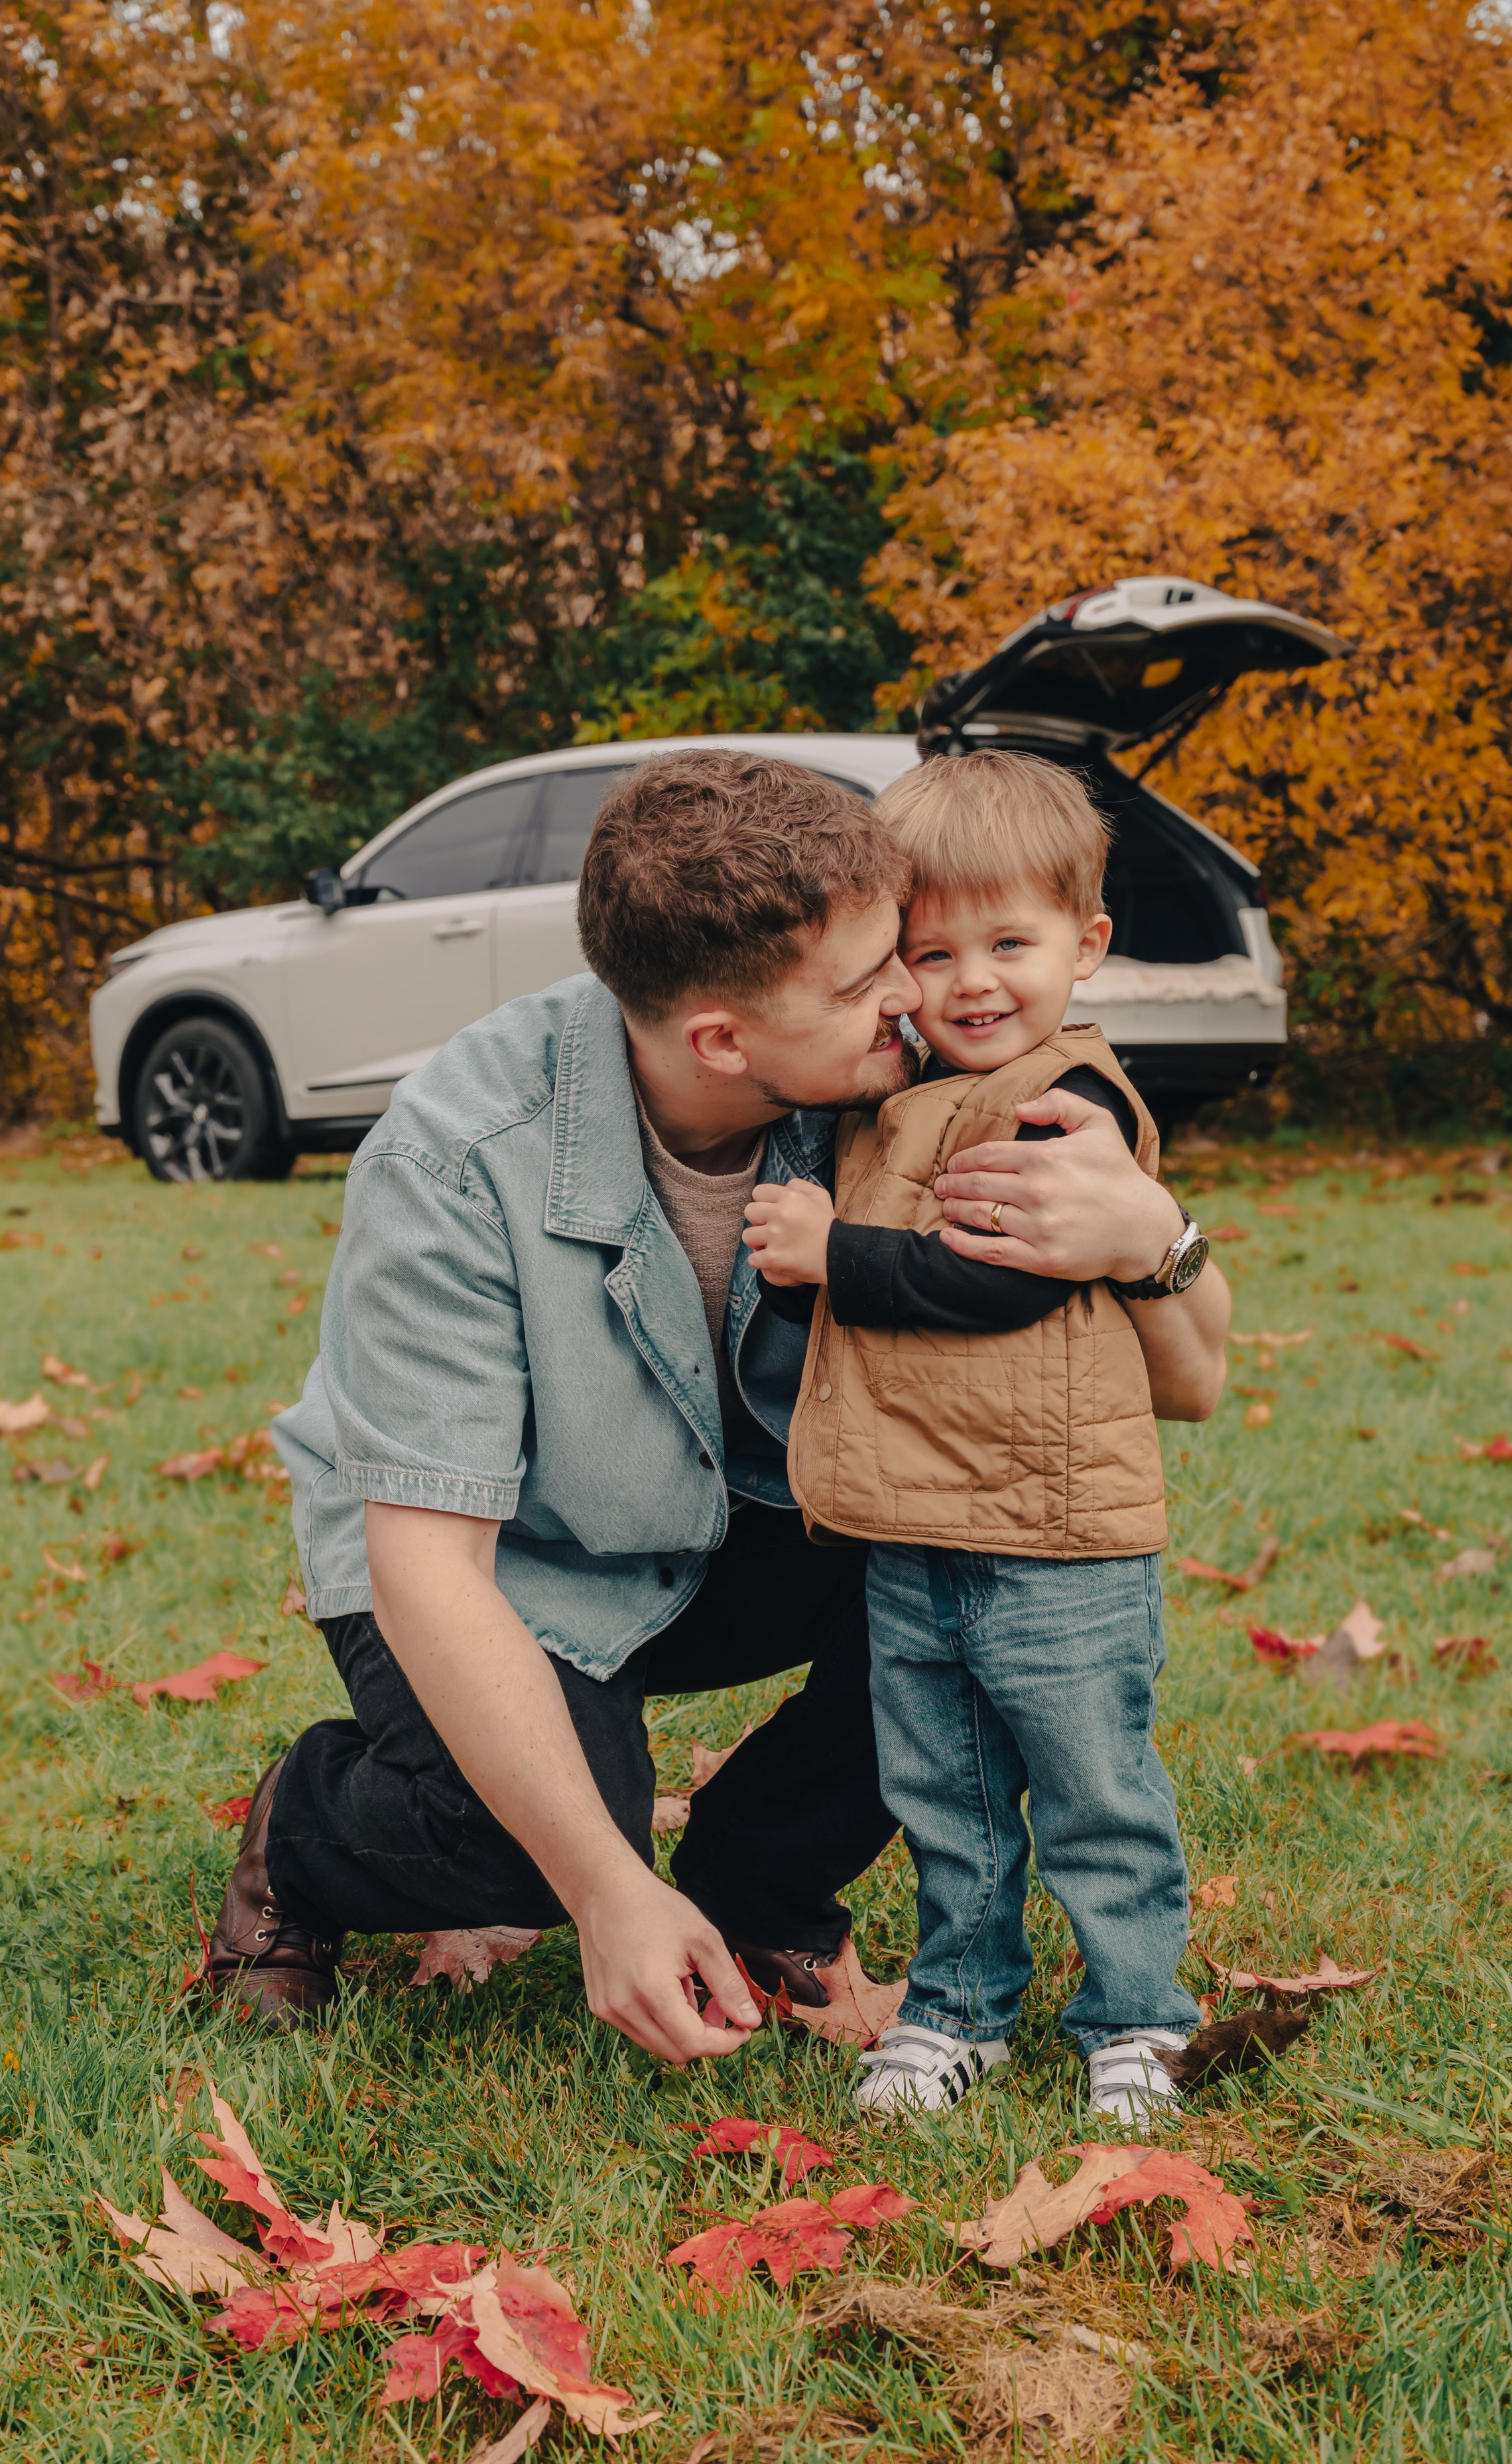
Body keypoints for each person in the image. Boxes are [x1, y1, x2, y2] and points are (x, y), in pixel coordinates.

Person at [205, 749, 1226, 2063]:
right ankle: (303, 1833)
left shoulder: (911, 1082)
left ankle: (754, 1883)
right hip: (510, 1556)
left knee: (981, 1575)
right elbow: (425, 1566)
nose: (912, 997)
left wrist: (1152, 1228)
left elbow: (1189, 1380)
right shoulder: (454, 1156)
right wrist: (601, 1887)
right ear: (721, 1041)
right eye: (868, 981)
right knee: (527, 1852)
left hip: (752, 1512)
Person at [742, 749, 1230, 2127]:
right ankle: (958, 2006)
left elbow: (991, 1278)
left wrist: (834, 1251)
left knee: (1092, 1796)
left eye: (1008, 942)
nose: (970, 981)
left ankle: (1137, 2017)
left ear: (1084, 945)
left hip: (1053, 1539)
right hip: (917, 1535)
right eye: (931, 948)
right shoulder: (897, 1094)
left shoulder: (1061, 1102)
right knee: (942, 1797)